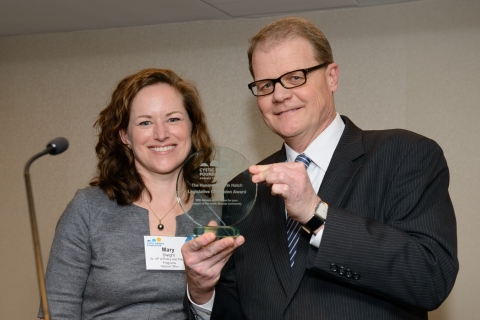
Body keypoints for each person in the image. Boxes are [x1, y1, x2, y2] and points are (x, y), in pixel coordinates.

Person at [182, 17, 459, 319]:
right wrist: (201, 291)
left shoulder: (405, 154)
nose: (279, 95)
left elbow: (431, 278)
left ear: (331, 77)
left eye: (296, 77)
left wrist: (316, 213)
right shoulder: (246, 186)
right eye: (265, 84)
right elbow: (234, 307)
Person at [38, 68, 215, 320]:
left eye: (173, 119)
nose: (161, 133)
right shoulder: (88, 209)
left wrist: (202, 290)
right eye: (145, 122)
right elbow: (57, 309)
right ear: (125, 136)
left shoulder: (216, 217)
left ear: (191, 127)